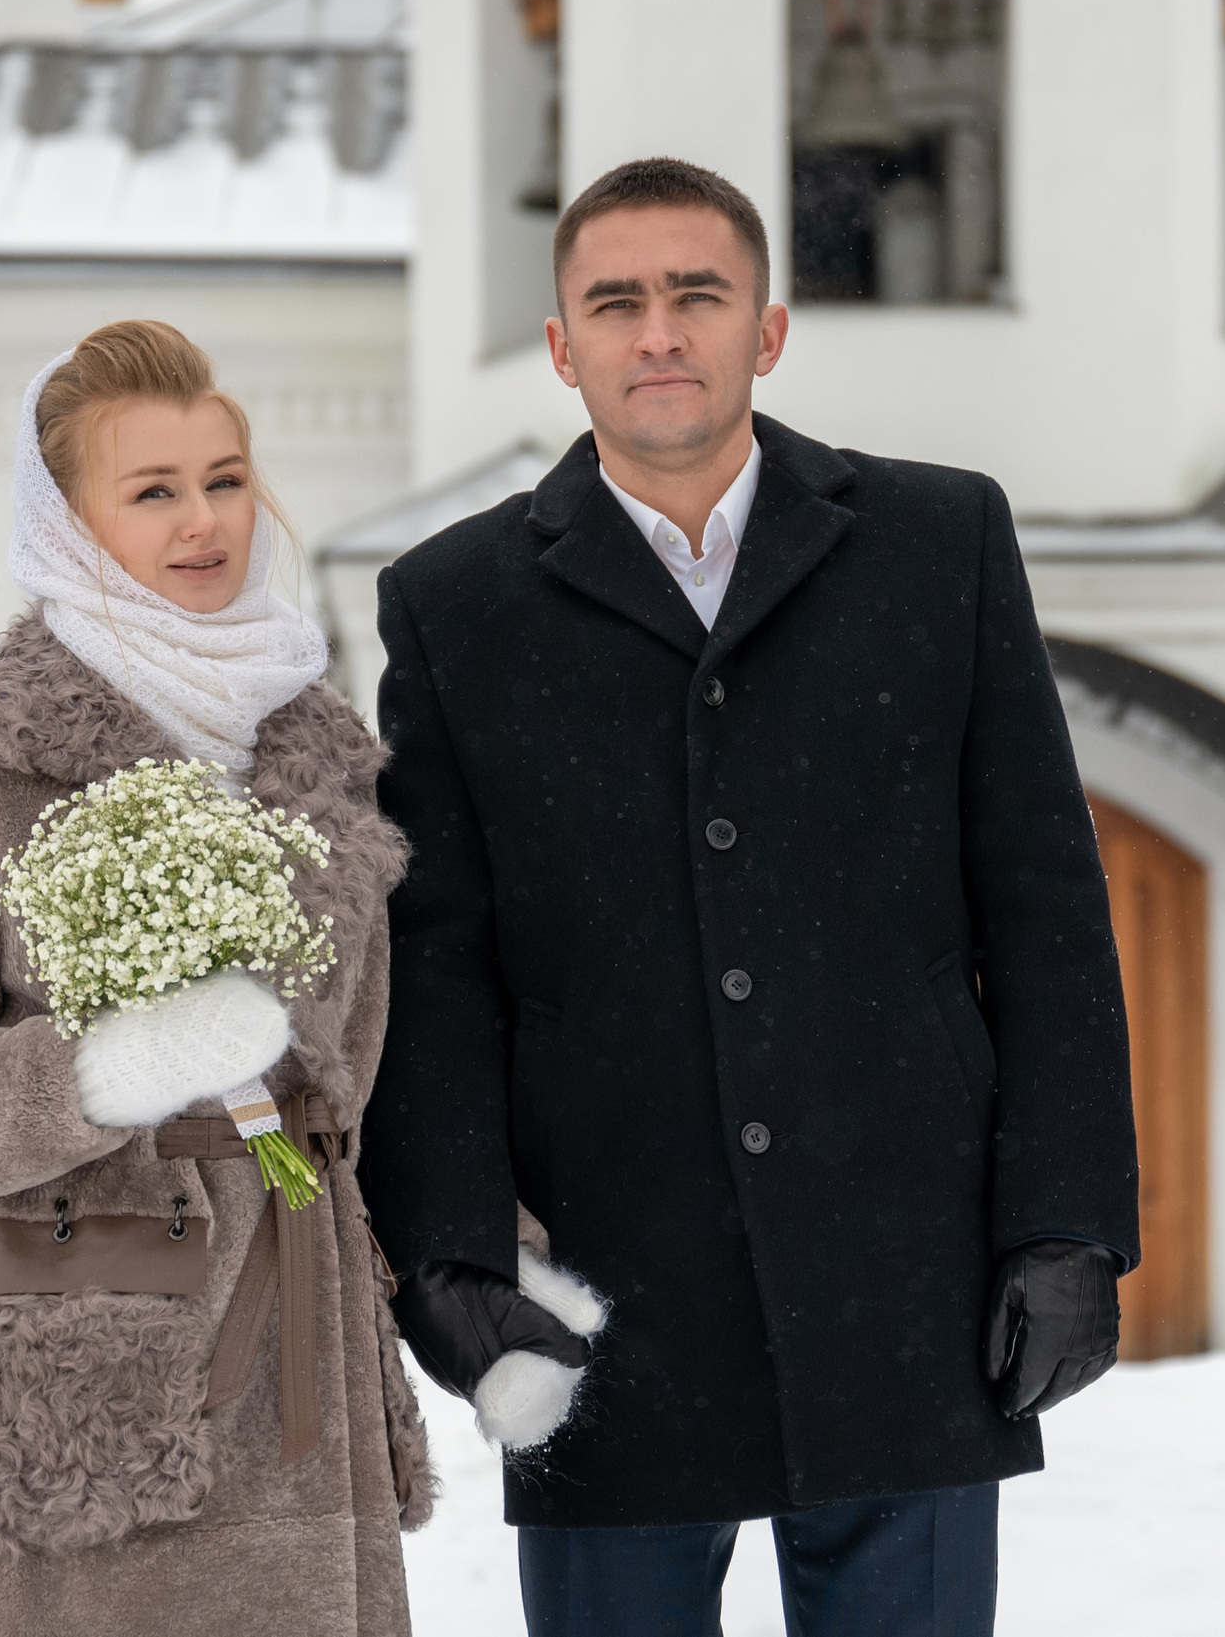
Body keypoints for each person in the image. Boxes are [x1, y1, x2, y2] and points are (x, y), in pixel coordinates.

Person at [359, 159, 1138, 1637]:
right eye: (617, 301)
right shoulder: (453, 606)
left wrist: (1071, 1219)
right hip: (604, 1304)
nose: (659, 331)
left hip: (907, 1287)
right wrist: (451, 1254)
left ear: (765, 330)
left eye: (695, 295)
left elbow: (1043, 904)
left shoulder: (938, 547)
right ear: (562, 346)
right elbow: (436, 961)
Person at [0, 319, 432, 1637]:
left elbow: (373, 1087)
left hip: (308, 1390)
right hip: (101, 1381)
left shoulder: (325, 758)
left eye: (222, 476)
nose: (203, 518)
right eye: (150, 489)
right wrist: (99, 1071)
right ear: (67, 524)